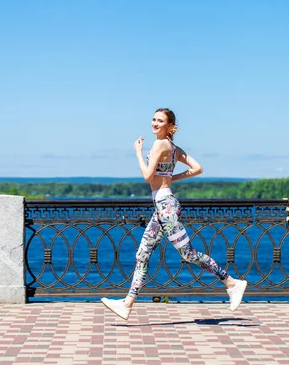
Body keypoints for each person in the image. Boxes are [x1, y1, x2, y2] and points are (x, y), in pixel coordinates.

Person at [101, 108, 247, 320]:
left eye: (160, 121)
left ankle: (232, 283)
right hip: (162, 207)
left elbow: (147, 176)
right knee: (142, 254)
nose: (155, 123)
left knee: (187, 254)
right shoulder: (174, 148)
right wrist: (169, 179)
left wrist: (137, 152)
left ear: (169, 126)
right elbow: (197, 169)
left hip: (166, 208)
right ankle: (127, 304)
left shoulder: (160, 144)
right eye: (153, 119)